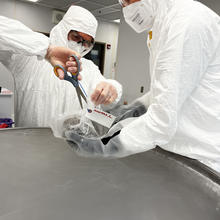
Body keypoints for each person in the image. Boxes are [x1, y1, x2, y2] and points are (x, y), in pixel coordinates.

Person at [66, 0, 220, 172]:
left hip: (203, 160)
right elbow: (167, 91)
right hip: (179, 151)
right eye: (121, 1)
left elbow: (162, 121)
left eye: (128, 0)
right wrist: (136, 108)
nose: (125, 7)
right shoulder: (161, 26)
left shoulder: (185, 22)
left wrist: (106, 146)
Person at [0, 5, 122, 127]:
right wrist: (47, 49)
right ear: (64, 29)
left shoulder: (89, 68)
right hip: (30, 142)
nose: (80, 45)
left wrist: (112, 88)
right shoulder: (28, 58)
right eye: (76, 37)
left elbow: (108, 95)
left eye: (87, 43)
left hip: (69, 144)